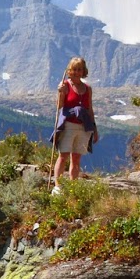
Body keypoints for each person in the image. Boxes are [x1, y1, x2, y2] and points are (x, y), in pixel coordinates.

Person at [50, 56, 97, 192]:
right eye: (74, 69)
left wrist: (94, 128)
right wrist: (61, 93)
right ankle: (57, 186)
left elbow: (90, 109)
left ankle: (73, 187)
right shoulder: (65, 85)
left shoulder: (87, 88)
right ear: (69, 70)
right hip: (68, 125)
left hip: (84, 127)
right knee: (63, 155)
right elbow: (59, 105)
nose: (77, 72)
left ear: (83, 71)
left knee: (76, 158)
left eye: (79, 69)